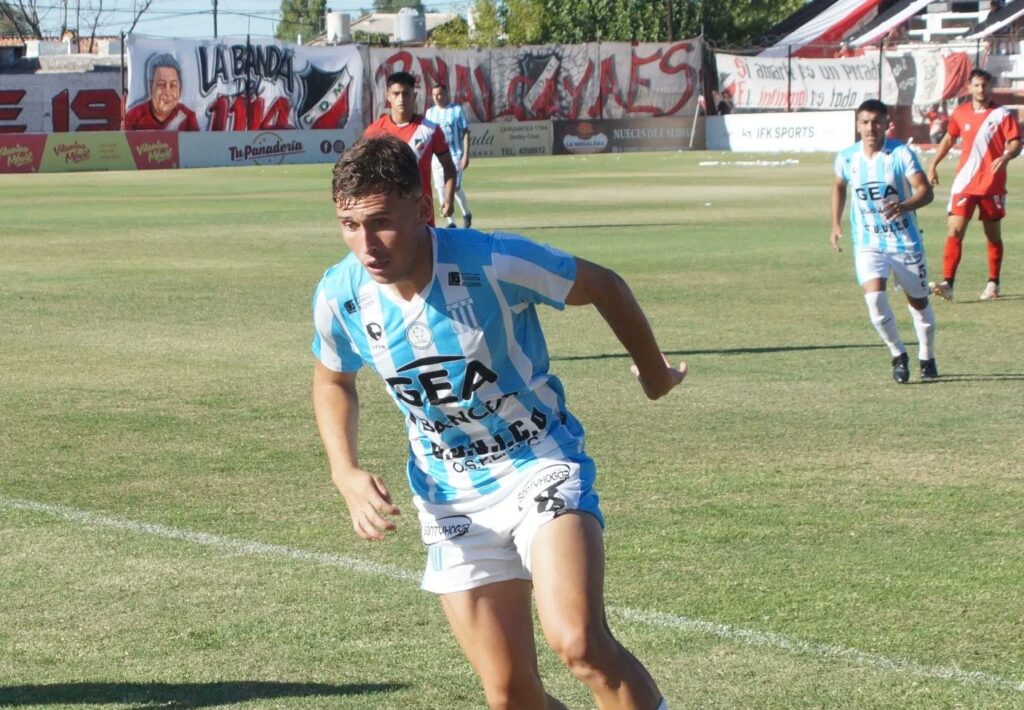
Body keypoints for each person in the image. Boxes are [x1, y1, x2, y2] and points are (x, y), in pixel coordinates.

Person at [312, 135, 684, 709]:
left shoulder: (491, 260)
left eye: (380, 222)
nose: (366, 245)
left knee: (580, 643)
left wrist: (654, 373)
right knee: (510, 697)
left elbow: (604, 284)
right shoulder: (341, 294)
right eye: (348, 225)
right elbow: (333, 378)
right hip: (450, 497)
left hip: (539, 463)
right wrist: (345, 469)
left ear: (421, 209)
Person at [831, 99, 939, 383]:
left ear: (886, 124)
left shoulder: (900, 153)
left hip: (904, 242)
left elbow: (925, 192)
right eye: (865, 122)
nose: (871, 128)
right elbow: (839, 186)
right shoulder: (846, 157)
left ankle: (926, 356)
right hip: (868, 242)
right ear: (857, 125)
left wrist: (904, 205)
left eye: (876, 122)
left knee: (919, 304)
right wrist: (835, 224)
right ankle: (897, 354)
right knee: (875, 299)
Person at [926, 68, 1021, 301]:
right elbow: (949, 138)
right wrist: (933, 165)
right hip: (964, 183)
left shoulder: (1003, 115)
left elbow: (1016, 143)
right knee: (955, 230)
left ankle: (993, 283)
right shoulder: (960, 113)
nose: (981, 90)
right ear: (969, 87)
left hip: (992, 184)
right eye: (977, 85)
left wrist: (1006, 156)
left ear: (991, 87)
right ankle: (948, 283)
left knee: (992, 235)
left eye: (985, 85)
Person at [365, 71, 457, 227]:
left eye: (406, 93)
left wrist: (449, 198)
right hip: (386, 215)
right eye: (396, 94)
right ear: (388, 96)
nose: (401, 99)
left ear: (413, 96)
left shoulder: (430, 130)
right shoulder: (374, 132)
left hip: (421, 215)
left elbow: (449, 168)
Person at [425, 83, 473, 229]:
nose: (437, 97)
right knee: (440, 188)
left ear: (446, 94)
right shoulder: (430, 113)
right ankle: (451, 222)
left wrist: (466, 155)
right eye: (434, 95)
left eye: (440, 94)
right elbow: (427, 135)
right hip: (436, 157)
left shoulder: (456, 111)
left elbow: (465, 133)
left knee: (455, 187)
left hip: (454, 154)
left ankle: (466, 213)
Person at [123, 54, 200, 131]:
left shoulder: (188, 117)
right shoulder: (134, 117)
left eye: (173, 85)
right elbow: (122, 142)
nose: (167, 92)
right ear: (150, 87)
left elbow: (197, 142)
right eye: (161, 85)